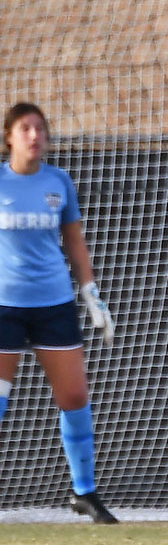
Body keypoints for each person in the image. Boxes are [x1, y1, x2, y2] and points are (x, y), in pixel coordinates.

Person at [0, 102, 117, 523]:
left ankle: (84, 492)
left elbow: (74, 242)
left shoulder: (58, 181)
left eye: (41, 129)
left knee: (74, 397)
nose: (35, 136)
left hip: (53, 304)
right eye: (25, 128)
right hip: (4, 308)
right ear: (9, 137)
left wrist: (90, 293)